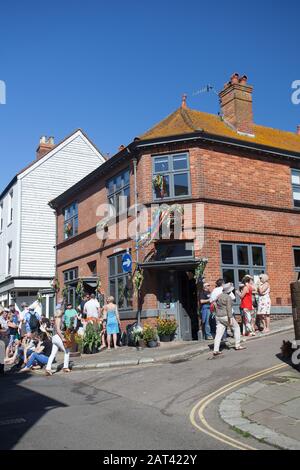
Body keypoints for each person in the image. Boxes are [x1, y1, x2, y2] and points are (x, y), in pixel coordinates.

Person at [213, 283, 246, 356]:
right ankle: (237, 345)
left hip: (218, 316)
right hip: (226, 316)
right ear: (229, 291)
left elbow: (214, 303)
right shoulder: (228, 297)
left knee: (218, 334)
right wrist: (230, 318)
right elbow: (229, 309)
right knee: (236, 327)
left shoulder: (218, 296)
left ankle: (216, 350)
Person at [45, 308, 70, 376]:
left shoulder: (55, 319)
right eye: (62, 313)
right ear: (60, 313)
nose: (62, 314)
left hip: (54, 337)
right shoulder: (58, 319)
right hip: (58, 337)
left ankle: (48, 368)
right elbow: (58, 330)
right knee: (67, 351)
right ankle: (65, 367)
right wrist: (63, 338)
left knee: (53, 354)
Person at [0, 307, 9, 376]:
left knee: (2, 355)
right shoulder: (0, 319)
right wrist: (5, 330)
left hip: (4, 338)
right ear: (2, 312)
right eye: (5, 312)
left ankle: (2, 370)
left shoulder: (4, 319)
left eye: (7, 312)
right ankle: (1, 370)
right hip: (1, 338)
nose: (6, 314)